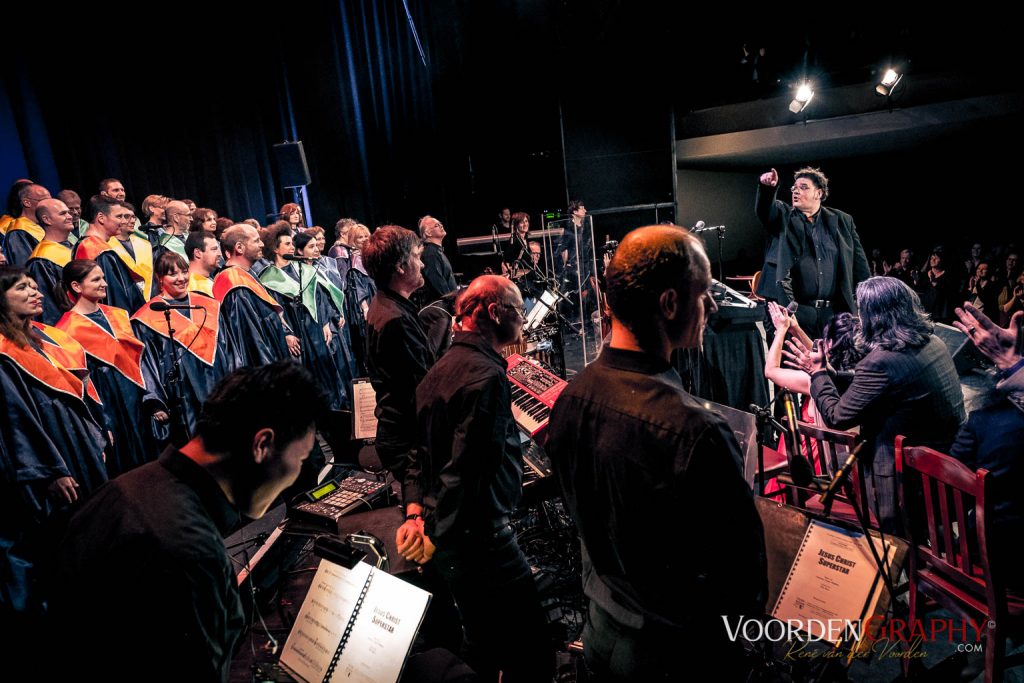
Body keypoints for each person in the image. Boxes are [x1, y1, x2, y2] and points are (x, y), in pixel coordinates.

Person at [546, 225, 767, 681]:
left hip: (600, 632)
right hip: (674, 656)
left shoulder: (573, 396)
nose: (710, 308)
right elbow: (744, 584)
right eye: (703, 294)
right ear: (669, 304)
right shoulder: (696, 431)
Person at [55, 361, 324, 681]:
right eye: (301, 457)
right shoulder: (190, 553)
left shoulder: (119, 489)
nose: (297, 473)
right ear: (262, 445)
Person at [398, 275, 553, 682]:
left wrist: (415, 514)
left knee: (483, 635)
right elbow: (466, 471)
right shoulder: (485, 377)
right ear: (491, 312)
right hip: (481, 538)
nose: (523, 320)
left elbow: (418, 454)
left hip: (448, 534)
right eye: (518, 311)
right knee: (534, 649)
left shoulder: (438, 370)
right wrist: (438, 536)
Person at [793, 276, 966, 534]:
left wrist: (817, 374)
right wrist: (830, 373)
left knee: (836, 464)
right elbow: (886, 383)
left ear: (875, 316)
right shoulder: (934, 343)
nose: (859, 318)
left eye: (862, 311)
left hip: (905, 485)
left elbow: (837, 417)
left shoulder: (880, 362)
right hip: (945, 472)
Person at [0, 266, 107, 625]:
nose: (36, 292)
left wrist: (96, 431)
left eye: (34, 286)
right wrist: (50, 470)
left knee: (92, 525)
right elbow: (15, 420)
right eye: (22, 288)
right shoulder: (3, 351)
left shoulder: (46, 337)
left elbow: (77, 390)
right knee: (62, 536)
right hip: (50, 453)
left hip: (75, 443)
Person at [57, 260, 168, 477]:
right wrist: (101, 423)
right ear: (76, 287)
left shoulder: (118, 314)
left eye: (103, 278)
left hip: (138, 399)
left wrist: (153, 399)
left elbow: (141, 360)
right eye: (96, 279)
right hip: (109, 403)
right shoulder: (66, 329)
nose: (104, 283)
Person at [133, 252, 238, 442]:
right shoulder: (148, 317)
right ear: (159, 278)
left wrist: (238, 380)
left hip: (219, 381)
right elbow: (147, 363)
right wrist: (156, 400)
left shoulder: (207, 305)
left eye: (184, 271)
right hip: (183, 394)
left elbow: (228, 346)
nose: (181, 278)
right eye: (173, 274)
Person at [755, 166, 869, 338]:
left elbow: (859, 265)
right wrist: (767, 188)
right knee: (791, 362)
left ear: (819, 193)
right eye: (794, 188)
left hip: (832, 312)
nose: (796, 191)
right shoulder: (783, 216)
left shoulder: (842, 221)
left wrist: (868, 300)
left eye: (803, 187)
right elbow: (764, 210)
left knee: (831, 362)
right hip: (792, 310)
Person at [363, 225, 432, 488]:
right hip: (407, 439)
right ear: (401, 266)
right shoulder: (395, 320)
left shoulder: (385, 304)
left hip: (399, 433)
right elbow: (421, 390)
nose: (422, 265)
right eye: (417, 256)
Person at [261, 225, 348, 411]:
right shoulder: (268, 278)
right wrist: (286, 333)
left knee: (325, 374)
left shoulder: (303, 270)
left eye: (292, 243)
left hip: (315, 329)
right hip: (295, 333)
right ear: (275, 249)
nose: (292, 247)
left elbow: (318, 298)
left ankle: (333, 415)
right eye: (286, 244)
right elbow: (273, 309)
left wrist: (324, 322)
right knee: (302, 378)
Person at [212, 224, 300, 367]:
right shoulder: (234, 283)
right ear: (239, 247)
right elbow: (251, 340)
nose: (262, 244)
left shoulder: (246, 273)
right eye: (256, 240)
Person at [73, 195, 149, 314]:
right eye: (119, 216)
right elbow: (115, 298)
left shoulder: (82, 244)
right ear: (101, 218)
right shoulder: (99, 251)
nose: (123, 221)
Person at [26, 199, 76, 325]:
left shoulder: (72, 246)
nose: (70, 216)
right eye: (63, 214)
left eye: (68, 213)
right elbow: (49, 309)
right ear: (47, 220)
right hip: (70, 326)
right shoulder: (41, 260)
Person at [414, 215, 457, 309]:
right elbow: (439, 285)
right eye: (437, 225)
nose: (441, 225)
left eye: (440, 223)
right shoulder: (430, 254)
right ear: (428, 233)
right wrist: (454, 305)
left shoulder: (436, 251)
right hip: (440, 311)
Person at [2, 183, 51, 265]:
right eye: (44, 200)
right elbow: (25, 266)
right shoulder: (18, 232)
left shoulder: (42, 225)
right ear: (27, 202)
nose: (50, 205)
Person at [185, 230, 221, 296]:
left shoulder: (202, 281)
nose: (219, 254)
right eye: (214, 249)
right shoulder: (193, 287)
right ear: (197, 253)